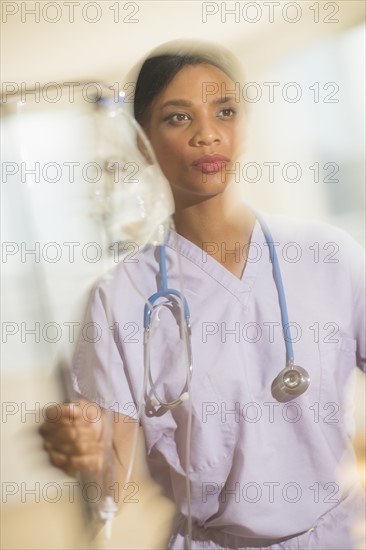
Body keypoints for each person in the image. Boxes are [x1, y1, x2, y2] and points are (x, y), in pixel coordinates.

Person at [40, 40, 365, 549]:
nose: (208, 134)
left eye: (225, 111)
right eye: (177, 118)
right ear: (142, 141)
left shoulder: (329, 255)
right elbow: (109, 483)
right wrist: (82, 449)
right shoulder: (121, 297)